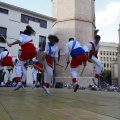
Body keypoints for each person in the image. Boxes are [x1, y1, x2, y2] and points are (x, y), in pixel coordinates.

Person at [7, 25, 37, 91]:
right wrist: (31, 59)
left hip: (26, 51)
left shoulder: (22, 35)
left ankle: (19, 81)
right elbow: (31, 49)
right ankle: (22, 83)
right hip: (33, 51)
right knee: (23, 69)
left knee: (18, 65)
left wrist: (11, 44)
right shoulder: (29, 38)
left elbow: (19, 41)